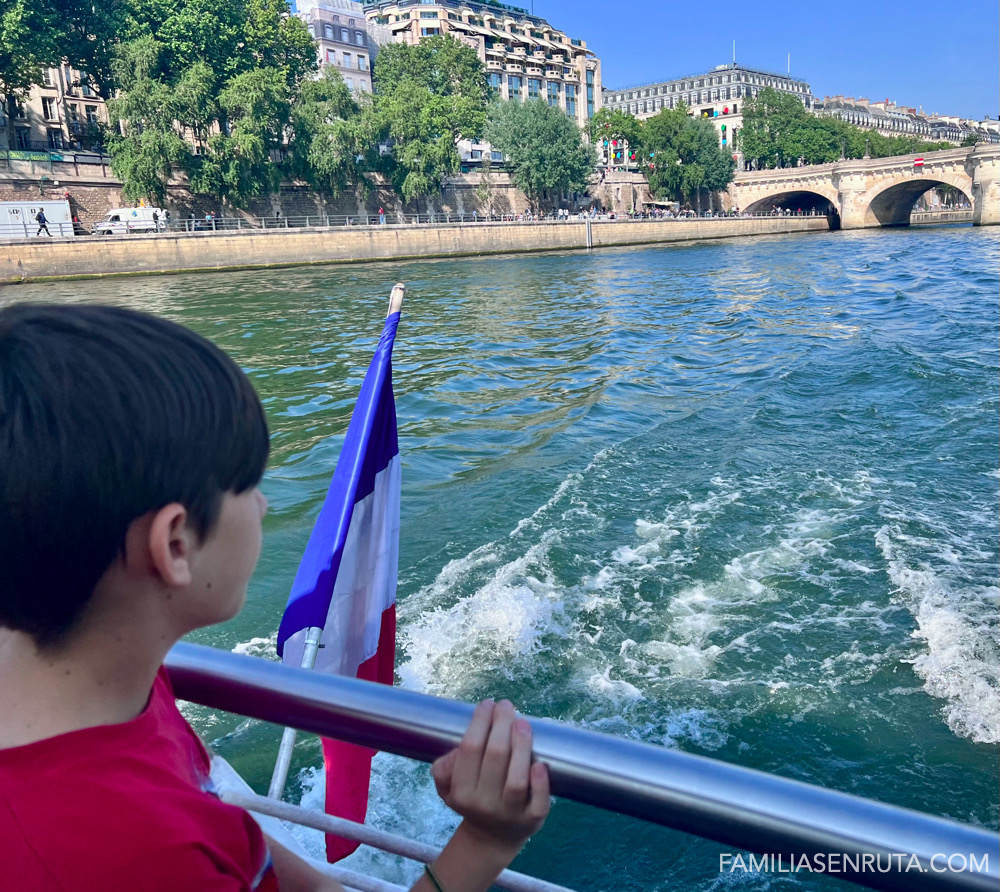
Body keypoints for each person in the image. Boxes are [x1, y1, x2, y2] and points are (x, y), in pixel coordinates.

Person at [0, 304, 550, 892]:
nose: (262, 506)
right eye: (249, 484)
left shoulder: (105, 682)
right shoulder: (139, 857)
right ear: (176, 545)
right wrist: (486, 840)